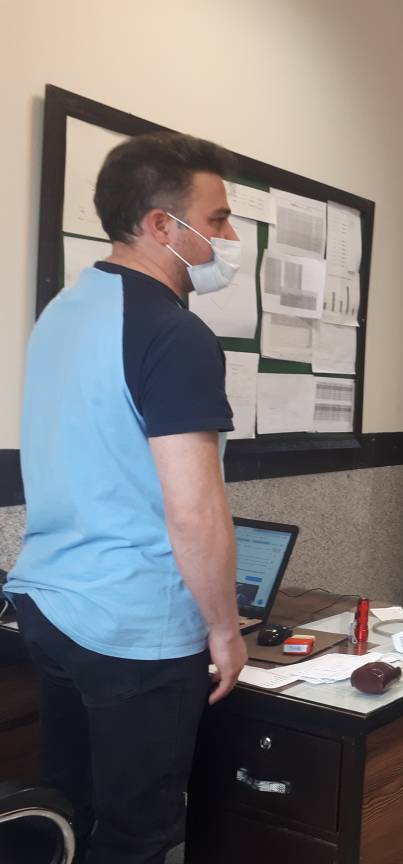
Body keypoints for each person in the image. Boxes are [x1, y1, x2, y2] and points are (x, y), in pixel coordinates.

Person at [4, 131, 247, 863]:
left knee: (67, 814)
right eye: (217, 220)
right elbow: (194, 510)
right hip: (135, 627)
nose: (231, 239)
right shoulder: (174, 334)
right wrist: (225, 629)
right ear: (160, 225)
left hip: (51, 605)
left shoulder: (65, 311)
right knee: (138, 836)